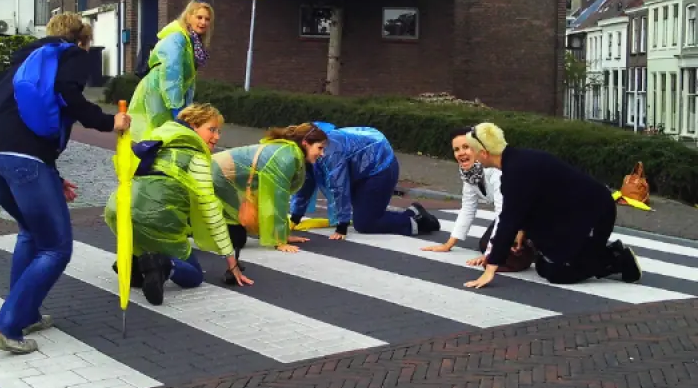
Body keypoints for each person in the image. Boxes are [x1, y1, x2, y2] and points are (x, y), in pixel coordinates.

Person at [0, 13, 131, 354]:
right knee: (56, 247)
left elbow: (27, 118)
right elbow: (69, 94)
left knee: (30, 230)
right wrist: (108, 121)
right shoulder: (69, 54)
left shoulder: (24, 60)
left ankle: (25, 314)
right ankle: (6, 327)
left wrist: (51, 177)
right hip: (22, 157)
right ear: (81, 40)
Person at [461, 123, 642, 289]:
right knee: (544, 266)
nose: (475, 157)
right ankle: (586, 253)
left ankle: (616, 258)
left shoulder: (516, 172)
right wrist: (522, 230)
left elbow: (509, 220)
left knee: (559, 273)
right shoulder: (519, 161)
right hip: (571, 214)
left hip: (597, 214)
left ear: (484, 153)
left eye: (475, 152)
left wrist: (490, 269)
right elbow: (525, 205)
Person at [106, 103, 253, 305]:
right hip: (159, 217)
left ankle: (134, 263)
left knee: (145, 234)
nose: (217, 137)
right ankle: (163, 265)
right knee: (194, 276)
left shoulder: (157, 140)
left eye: (219, 132)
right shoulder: (195, 156)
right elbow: (210, 209)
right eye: (211, 129)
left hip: (119, 210)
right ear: (193, 125)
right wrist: (232, 262)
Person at [211, 123, 328, 284]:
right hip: (217, 175)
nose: (322, 154)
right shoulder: (287, 157)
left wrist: (284, 234)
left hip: (219, 172)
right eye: (320, 148)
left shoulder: (288, 152)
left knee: (237, 234)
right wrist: (279, 240)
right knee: (235, 230)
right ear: (305, 143)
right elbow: (276, 200)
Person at [289, 122, 439, 239]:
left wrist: (342, 225)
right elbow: (306, 182)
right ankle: (412, 212)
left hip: (381, 167)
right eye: (319, 149)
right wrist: (296, 217)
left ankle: (418, 222)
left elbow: (339, 186)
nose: (321, 153)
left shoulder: (329, 151)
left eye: (322, 149)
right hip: (361, 169)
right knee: (365, 213)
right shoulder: (308, 148)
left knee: (366, 223)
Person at [422, 127, 534, 272]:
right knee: (485, 244)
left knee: (499, 252)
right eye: (456, 149)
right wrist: (448, 244)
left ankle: (535, 244)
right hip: (511, 214)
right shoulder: (468, 173)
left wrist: (490, 256)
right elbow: (468, 208)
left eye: (466, 147)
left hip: (529, 213)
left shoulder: (495, 171)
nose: (461, 153)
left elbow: (503, 213)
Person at [126, 0, 214, 143]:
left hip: (164, 96)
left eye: (207, 19)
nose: (203, 22)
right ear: (189, 16)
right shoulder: (177, 39)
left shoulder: (191, 41)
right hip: (158, 96)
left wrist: (187, 109)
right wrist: (178, 111)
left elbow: (188, 79)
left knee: (161, 140)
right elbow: (172, 74)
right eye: (199, 17)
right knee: (154, 139)